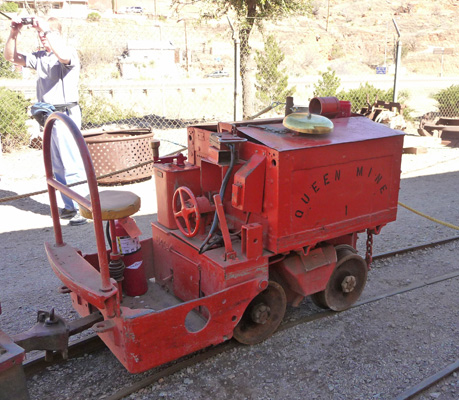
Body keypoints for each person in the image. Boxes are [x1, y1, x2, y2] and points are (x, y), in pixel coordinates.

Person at [5, 16, 87, 226]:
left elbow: (64, 55)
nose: (42, 38)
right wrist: (14, 33)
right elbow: (11, 58)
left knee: (72, 163)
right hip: (48, 115)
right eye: (40, 34)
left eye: (46, 34)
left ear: (56, 34)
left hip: (66, 114)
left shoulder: (67, 54)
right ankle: (69, 206)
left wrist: (46, 30)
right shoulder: (40, 57)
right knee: (57, 164)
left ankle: (83, 207)